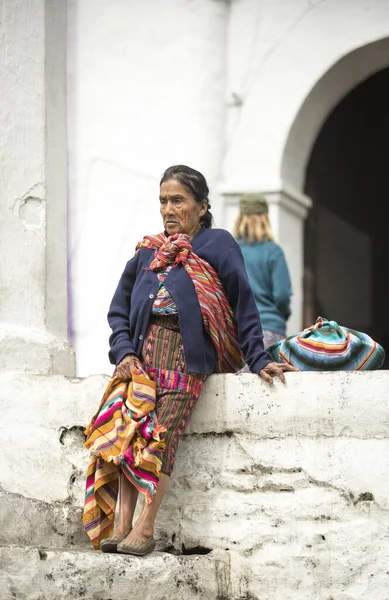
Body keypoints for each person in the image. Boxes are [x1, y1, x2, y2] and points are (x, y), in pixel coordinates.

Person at [86, 165, 296, 557]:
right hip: (143, 357)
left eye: (178, 200)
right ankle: (121, 524)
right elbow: (118, 311)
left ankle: (145, 527)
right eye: (163, 200)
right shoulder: (148, 251)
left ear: (202, 206)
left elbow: (242, 303)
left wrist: (258, 357)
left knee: (161, 435)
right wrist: (124, 352)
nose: (168, 209)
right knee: (130, 433)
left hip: (188, 358)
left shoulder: (218, 245)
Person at [234, 193, 292, 348]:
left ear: (241, 216)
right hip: (270, 329)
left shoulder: (231, 251)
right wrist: (282, 314)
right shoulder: (273, 251)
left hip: (239, 331)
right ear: (265, 217)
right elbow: (282, 295)